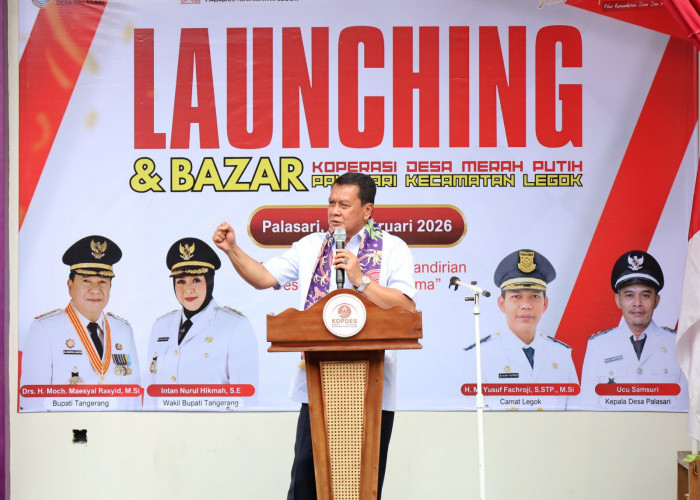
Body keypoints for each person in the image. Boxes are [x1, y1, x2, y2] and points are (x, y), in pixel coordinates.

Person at [213, 172, 416, 500]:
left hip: (373, 387)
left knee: (362, 486)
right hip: (317, 386)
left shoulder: (393, 248)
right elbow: (263, 276)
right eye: (331, 203)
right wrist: (232, 249)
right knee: (306, 484)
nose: (335, 211)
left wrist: (361, 280)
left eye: (344, 205)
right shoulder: (311, 247)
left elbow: (406, 308)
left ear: (367, 210)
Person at [19, 235, 141, 411]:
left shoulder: (123, 330)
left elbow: (133, 400)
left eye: (102, 282)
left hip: (115, 427)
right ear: (70, 286)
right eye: (86, 281)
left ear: (110, 287)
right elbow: (33, 404)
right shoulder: (45, 330)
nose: (95, 290)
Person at [144, 237, 258, 410]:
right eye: (181, 281)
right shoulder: (161, 326)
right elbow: (151, 393)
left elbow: (245, 400)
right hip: (165, 425)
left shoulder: (235, 326)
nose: (188, 289)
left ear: (210, 281)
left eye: (196, 280)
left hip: (212, 425)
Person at [464, 249, 578, 410]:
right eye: (516, 296)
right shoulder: (479, 355)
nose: (526, 305)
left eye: (535, 296)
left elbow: (575, 414)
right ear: (502, 304)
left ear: (545, 304)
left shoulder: (561, 354)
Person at [576, 250, 688, 411]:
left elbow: (685, 410)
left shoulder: (678, 344)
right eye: (629, 295)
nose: (637, 303)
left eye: (645, 295)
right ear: (618, 300)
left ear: (656, 300)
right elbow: (588, 409)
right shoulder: (598, 346)